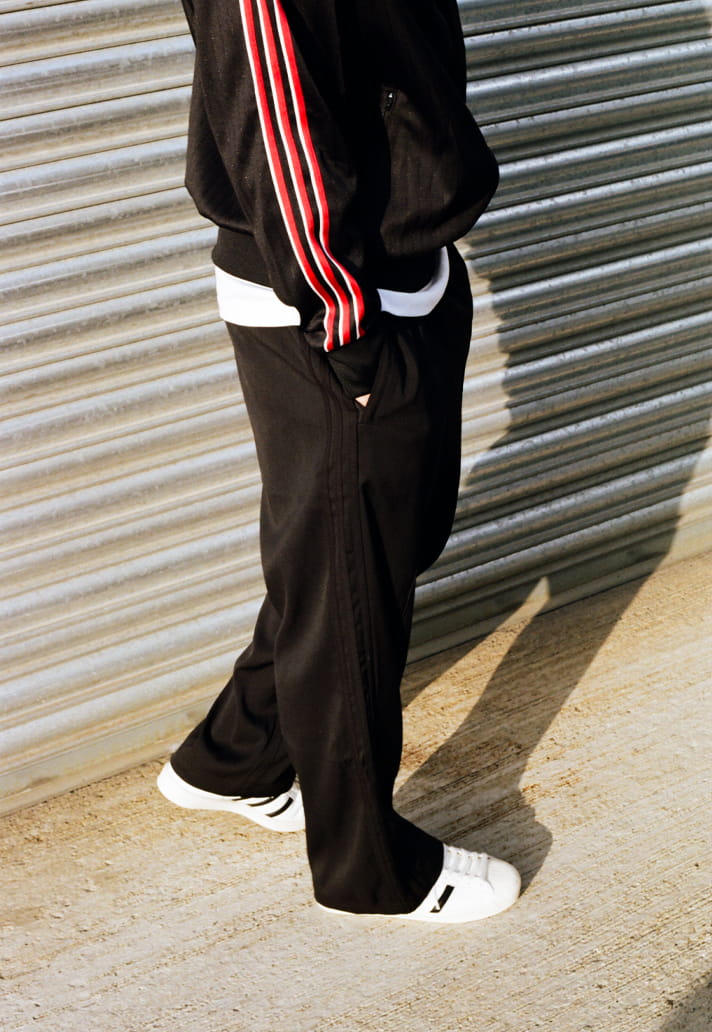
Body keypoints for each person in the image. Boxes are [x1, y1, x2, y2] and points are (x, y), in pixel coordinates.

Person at [157, 0, 521, 923]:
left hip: (404, 257)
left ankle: (234, 758)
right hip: (330, 299)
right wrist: (345, 330)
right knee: (351, 587)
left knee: (369, 549)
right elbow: (272, 110)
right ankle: (367, 870)